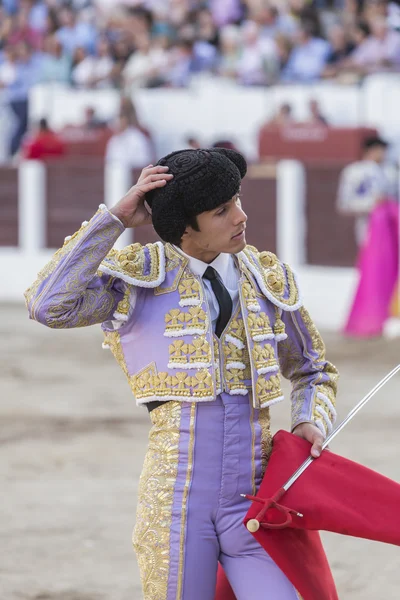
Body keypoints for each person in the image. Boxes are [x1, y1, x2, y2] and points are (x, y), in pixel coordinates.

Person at [24, 148, 338, 599]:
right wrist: (112, 220)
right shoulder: (138, 279)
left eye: (238, 200)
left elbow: (312, 368)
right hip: (175, 503)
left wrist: (310, 418)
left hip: (255, 496)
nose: (241, 217)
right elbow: (47, 305)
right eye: (222, 210)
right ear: (186, 227)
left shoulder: (266, 278)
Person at [337, 136, 399, 337]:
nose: (383, 154)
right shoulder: (355, 172)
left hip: (392, 230)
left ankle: (388, 316)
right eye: (380, 149)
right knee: (372, 273)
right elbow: (345, 203)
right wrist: (372, 205)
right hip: (369, 230)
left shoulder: (391, 172)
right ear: (369, 150)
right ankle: (371, 317)